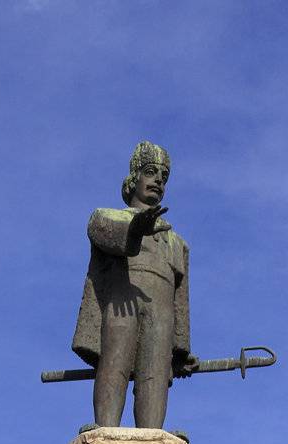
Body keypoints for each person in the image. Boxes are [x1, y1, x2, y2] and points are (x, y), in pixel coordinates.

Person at [72, 141, 198, 429]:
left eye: (164, 177)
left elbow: (181, 300)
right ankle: (105, 430)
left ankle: (153, 436)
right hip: (121, 303)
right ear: (134, 178)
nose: (158, 181)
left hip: (161, 311)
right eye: (151, 172)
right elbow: (106, 236)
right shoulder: (106, 216)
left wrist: (180, 350)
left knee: (155, 371)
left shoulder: (177, 243)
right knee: (114, 362)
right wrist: (135, 231)